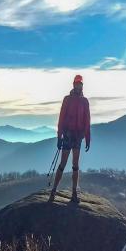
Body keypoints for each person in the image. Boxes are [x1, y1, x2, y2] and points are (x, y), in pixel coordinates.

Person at [49, 74, 91, 203]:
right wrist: (59, 136)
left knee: (75, 165)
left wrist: (88, 138)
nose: (78, 85)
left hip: (78, 136)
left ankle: (73, 192)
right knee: (63, 163)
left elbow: (87, 121)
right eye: (77, 83)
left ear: (81, 85)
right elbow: (61, 118)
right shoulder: (67, 99)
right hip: (68, 135)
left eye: (80, 84)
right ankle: (54, 191)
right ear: (74, 84)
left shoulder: (84, 101)